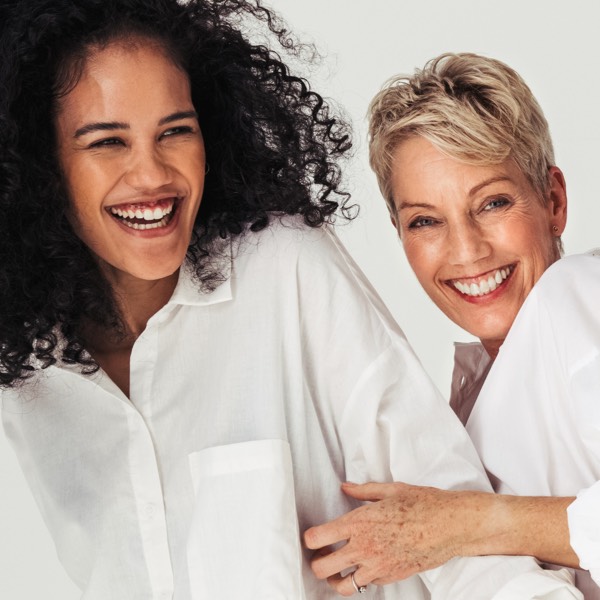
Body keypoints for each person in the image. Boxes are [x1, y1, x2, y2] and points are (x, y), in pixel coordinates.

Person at [0, 7, 576, 599]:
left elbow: (449, 520)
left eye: (176, 130)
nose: (151, 174)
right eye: (106, 142)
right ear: (38, 163)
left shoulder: (283, 265)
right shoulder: (26, 369)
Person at [305, 52, 600, 598]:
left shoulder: (579, 296)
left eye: (492, 203)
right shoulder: (468, 397)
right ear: (400, 237)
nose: (467, 251)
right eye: (426, 221)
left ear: (553, 201)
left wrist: (461, 523)